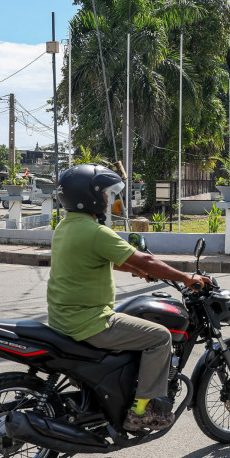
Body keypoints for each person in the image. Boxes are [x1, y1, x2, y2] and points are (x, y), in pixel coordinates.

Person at [47, 164, 212, 432]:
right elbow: (146, 258)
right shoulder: (95, 232)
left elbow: (98, 259)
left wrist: (135, 269)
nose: (109, 199)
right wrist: (185, 278)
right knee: (160, 337)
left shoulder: (66, 227)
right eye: (106, 194)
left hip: (63, 318)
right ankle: (140, 412)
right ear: (90, 196)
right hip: (90, 321)